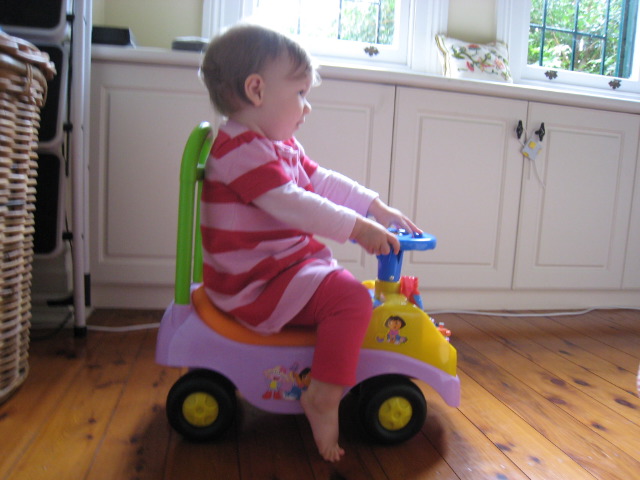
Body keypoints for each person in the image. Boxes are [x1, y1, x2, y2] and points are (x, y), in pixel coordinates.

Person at [199, 24, 421, 462]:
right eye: (300, 93)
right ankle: (323, 395)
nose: (307, 106)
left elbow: (320, 181)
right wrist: (358, 228)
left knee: (346, 292)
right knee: (351, 300)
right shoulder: (240, 151)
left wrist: (374, 206)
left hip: (279, 268)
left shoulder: (275, 145)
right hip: (256, 284)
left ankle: (326, 373)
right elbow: (293, 203)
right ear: (256, 91)